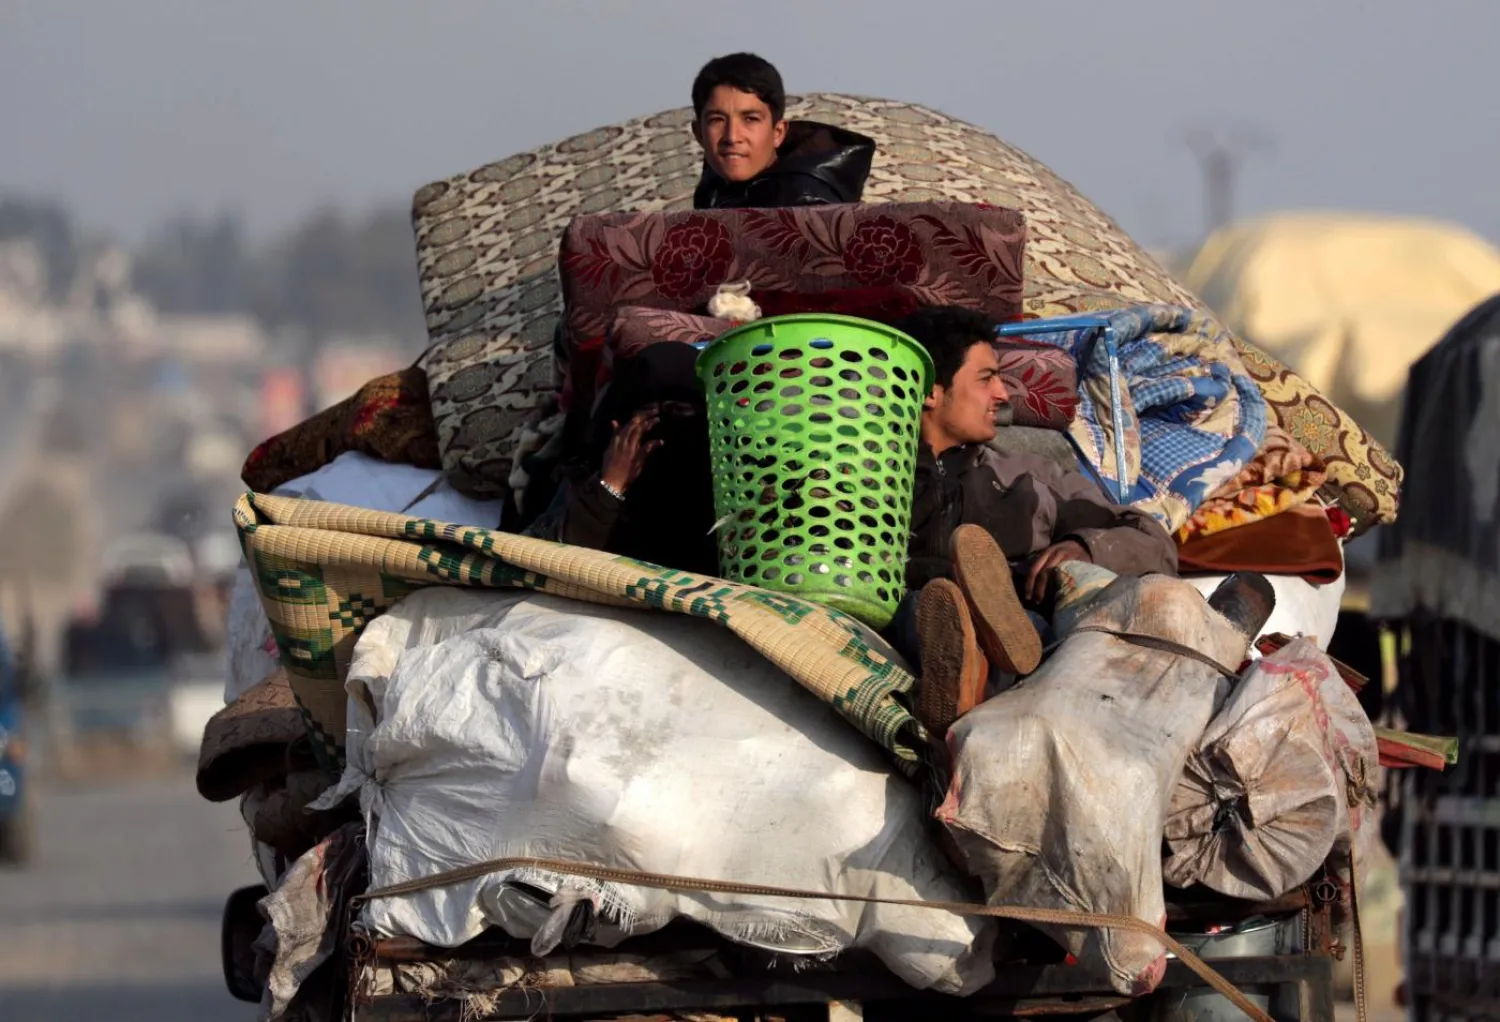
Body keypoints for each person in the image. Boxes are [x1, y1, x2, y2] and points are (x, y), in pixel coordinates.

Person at [891, 306, 1180, 735]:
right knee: (927, 605)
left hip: (1024, 613)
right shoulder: (873, 466)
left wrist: (1086, 545)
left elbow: (1151, 538)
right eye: (986, 377)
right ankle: (971, 662)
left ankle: (991, 653)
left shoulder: (1028, 475)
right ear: (931, 391)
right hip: (912, 602)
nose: (1003, 395)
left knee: (1040, 627)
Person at [542, 344, 719, 576]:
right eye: (645, 413)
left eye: (677, 409)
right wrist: (610, 487)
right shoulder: (589, 479)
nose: (656, 424)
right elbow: (543, 558)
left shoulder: (727, 477)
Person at [691, 53, 876, 210]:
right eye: (717, 120)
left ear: (778, 133)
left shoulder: (806, 206)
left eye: (750, 119)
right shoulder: (714, 188)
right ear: (698, 133)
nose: (732, 137)